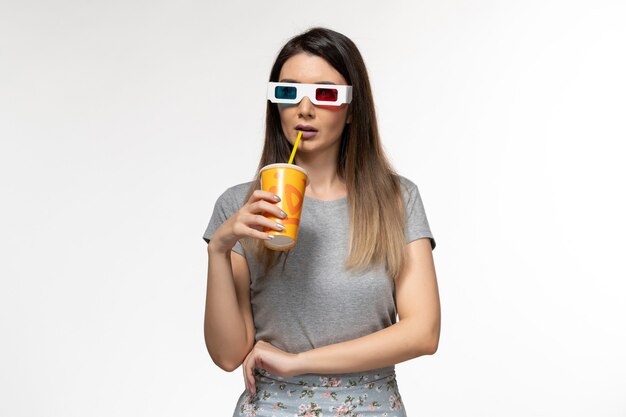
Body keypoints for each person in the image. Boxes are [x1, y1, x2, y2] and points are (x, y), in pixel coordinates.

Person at [203, 27, 440, 417]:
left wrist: (298, 361)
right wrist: (219, 249)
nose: (305, 108)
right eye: (288, 92)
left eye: (326, 94)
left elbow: (423, 332)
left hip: (372, 408)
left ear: (352, 110)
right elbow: (229, 355)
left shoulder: (397, 200)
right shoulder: (240, 205)